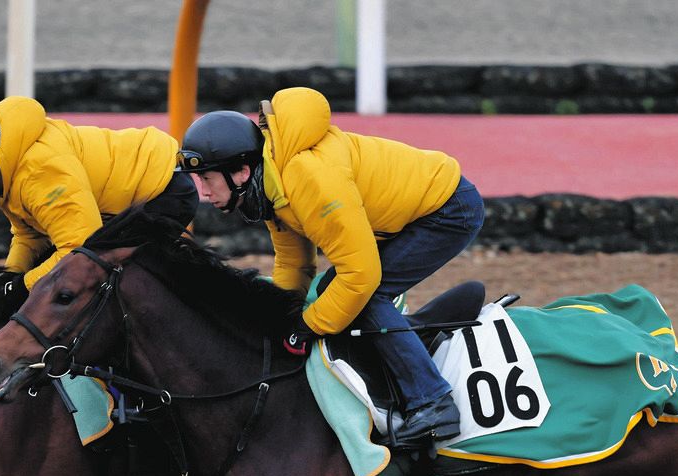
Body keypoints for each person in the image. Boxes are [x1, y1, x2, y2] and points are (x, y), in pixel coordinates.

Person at [176, 87, 485, 449]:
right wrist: (280, 321)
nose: (203, 192)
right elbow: (294, 265)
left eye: (207, 179)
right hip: (415, 212)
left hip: (447, 211)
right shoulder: (269, 183)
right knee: (330, 295)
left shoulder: (307, 179)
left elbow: (360, 277)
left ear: (241, 171)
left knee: (366, 297)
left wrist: (306, 327)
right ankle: (404, 343)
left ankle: (433, 404)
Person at [0, 97, 198, 313]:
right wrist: (10, 276)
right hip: (126, 198)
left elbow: (79, 248)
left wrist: (21, 287)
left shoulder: (38, 172)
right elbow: (29, 233)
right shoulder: (2, 170)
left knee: (97, 283)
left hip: (163, 193)